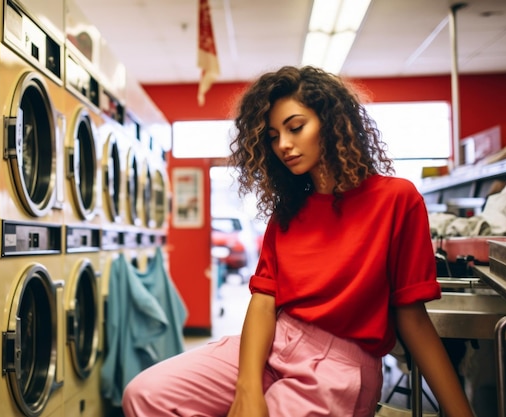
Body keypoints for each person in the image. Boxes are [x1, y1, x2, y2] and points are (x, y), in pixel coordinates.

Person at [122, 65, 475, 417]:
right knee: (145, 394)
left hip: (340, 365)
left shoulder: (397, 199)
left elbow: (412, 317)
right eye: (273, 136)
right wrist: (247, 388)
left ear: (334, 122)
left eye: (295, 128)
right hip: (273, 342)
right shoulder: (289, 211)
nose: (283, 146)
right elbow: (263, 302)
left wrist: (460, 411)